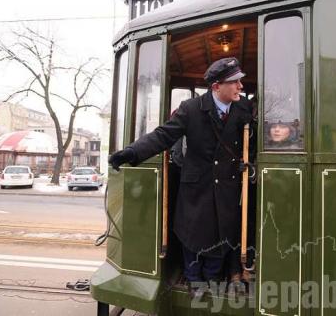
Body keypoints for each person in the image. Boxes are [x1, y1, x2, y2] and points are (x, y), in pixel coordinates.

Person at [108, 57, 254, 297]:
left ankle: (212, 278)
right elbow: (163, 136)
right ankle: (195, 280)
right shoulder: (191, 109)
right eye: (235, 82)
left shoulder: (242, 110)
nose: (240, 87)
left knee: (224, 233)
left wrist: (248, 164)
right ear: (217, 86)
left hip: (228, 185)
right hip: (197, 187)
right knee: (192, 235)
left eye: (240, 82)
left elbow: (254, 141)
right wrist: (131, 152)